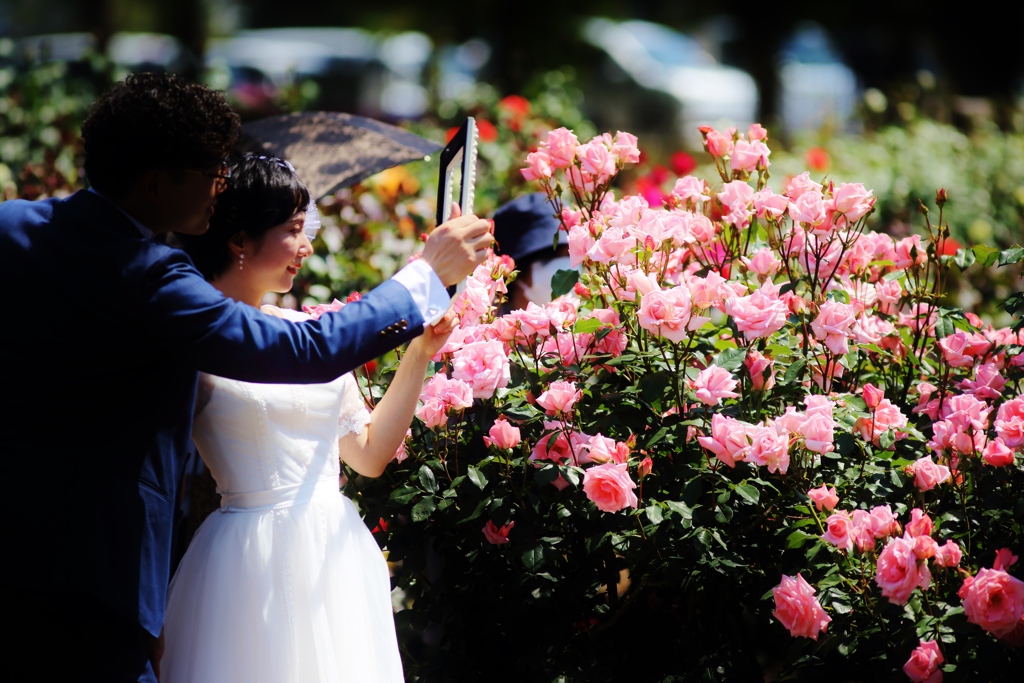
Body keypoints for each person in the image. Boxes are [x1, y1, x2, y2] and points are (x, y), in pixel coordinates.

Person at [0, 73, 490, 683]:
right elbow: (306, 350)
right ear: (157, 183)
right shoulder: (152, 279)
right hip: (105, 569)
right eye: (211, 174)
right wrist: (424, 275)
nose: (219, 188)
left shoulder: (12, 230)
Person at [160, 155, 443, 682]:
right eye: (293, 230)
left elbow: (369, 455)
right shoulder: (195, 342)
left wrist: (420, 352)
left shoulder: (304, 329)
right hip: (246, 561)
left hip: (336, 551)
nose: (307, 246)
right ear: (240, 239)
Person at [492, 192, 572, 310]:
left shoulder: (594, 322)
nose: (569, 268)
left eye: (571, 255)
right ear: (514, 273)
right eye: (550, 258)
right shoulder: (479, 325)